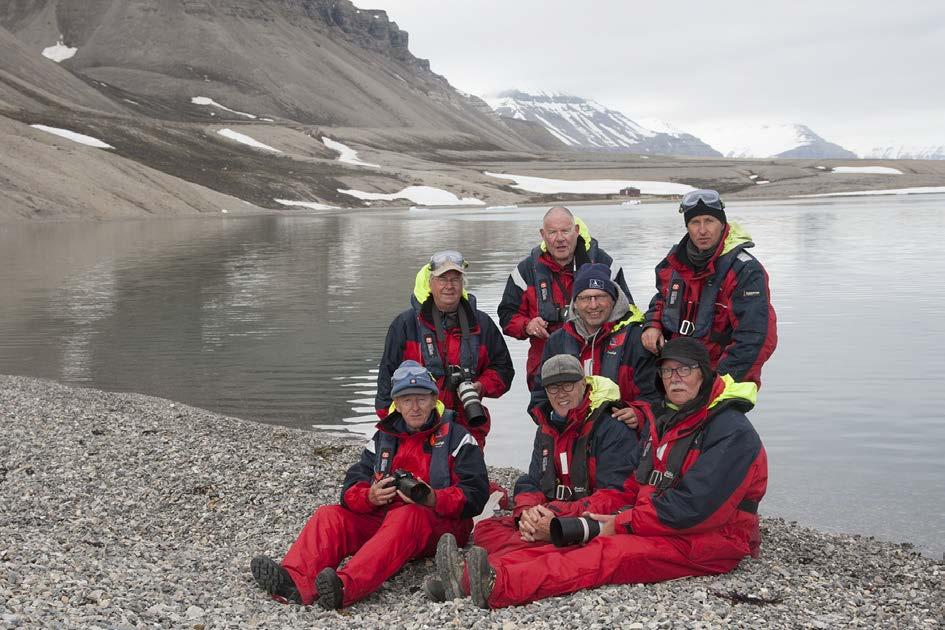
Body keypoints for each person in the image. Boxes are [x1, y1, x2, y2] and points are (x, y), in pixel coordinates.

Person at [428, 337, 767, 609]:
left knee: (603, 553)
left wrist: (611, 524)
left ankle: (494, 584)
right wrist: (536, 512)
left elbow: (693, 510)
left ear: (705, 373)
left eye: (684, 370)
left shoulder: (731, 431)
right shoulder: (671, 422)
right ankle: (467, 577)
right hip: (656, 521)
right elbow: (638, 485)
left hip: (712, 539)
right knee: (562, 538)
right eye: (667, 372)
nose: (674, 378)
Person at [251, 360, 489, 610]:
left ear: (433, 398)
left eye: (421, 398)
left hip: (439, 524)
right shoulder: (384, 438)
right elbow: (352, 486)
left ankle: (344, 587)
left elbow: (475, 494)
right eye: (406, 400)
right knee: (329, 515)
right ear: (396, 403)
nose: (415, 407)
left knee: (408, 515)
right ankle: (295, 581)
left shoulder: (458, 438)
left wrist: (433, 498)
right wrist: (370, 497)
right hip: (385, 520)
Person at [375, 250, 514, 449]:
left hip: (467, 425)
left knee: (467, 479)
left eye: (455, 279)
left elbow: (504, 370)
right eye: (442, 279)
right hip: (415, 427)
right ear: (430, 283)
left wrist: (481, 386)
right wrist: (390, 425)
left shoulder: (481, 324)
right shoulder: (405, 325)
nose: (449, 286)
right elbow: (386, 378)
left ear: (462, 284)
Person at [641, 189, 777, 387]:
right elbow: (662, 299)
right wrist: (652, 325)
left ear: (722, 224)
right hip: (677, 376)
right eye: (695, 222)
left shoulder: (745, 270)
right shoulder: (675, 263)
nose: (702, 230)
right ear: (687, 226)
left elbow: (755, 339)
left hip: (723, 381)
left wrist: (715, 385)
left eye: (709, 221)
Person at [498, 207, 631, 389]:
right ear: (543, 235)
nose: (559, 238)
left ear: (576, 231)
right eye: (552, 232)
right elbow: (506, 316)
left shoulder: (605, 265)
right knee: (550, 414)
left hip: (600, 365)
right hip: (547, 369)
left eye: (565, 231)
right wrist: (527, 325)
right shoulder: (525, 272)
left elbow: (628, 311)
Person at [530, 263, 658, 427]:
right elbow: (540, 397)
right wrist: (552, 422)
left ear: (613, 300)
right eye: (585, 298)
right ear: (575, 303)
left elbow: (656, 398)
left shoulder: (636, 339)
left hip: (624, 439)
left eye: (600, 296)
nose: (593, 305)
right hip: (572, 438)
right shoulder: (557, 342)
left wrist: (639, 413)